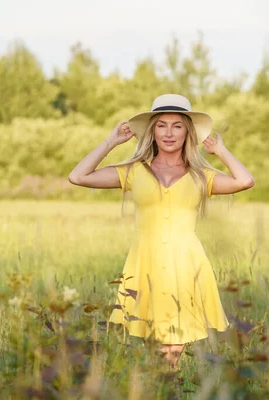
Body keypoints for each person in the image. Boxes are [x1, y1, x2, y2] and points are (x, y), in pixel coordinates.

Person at [68, 94, 255, 368]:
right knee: (155, 345)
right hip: (146, 262)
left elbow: (245, 180)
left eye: (177, 126)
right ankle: (162, 387)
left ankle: (168, 386)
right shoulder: (134, 170)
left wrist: (220, 152)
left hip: (186, 263)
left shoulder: (201, 175)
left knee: (173, 348)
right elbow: (78, 176)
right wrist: (110, 143)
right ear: (152, 131)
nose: (169, 133)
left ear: (187, 132)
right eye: (162, 125)